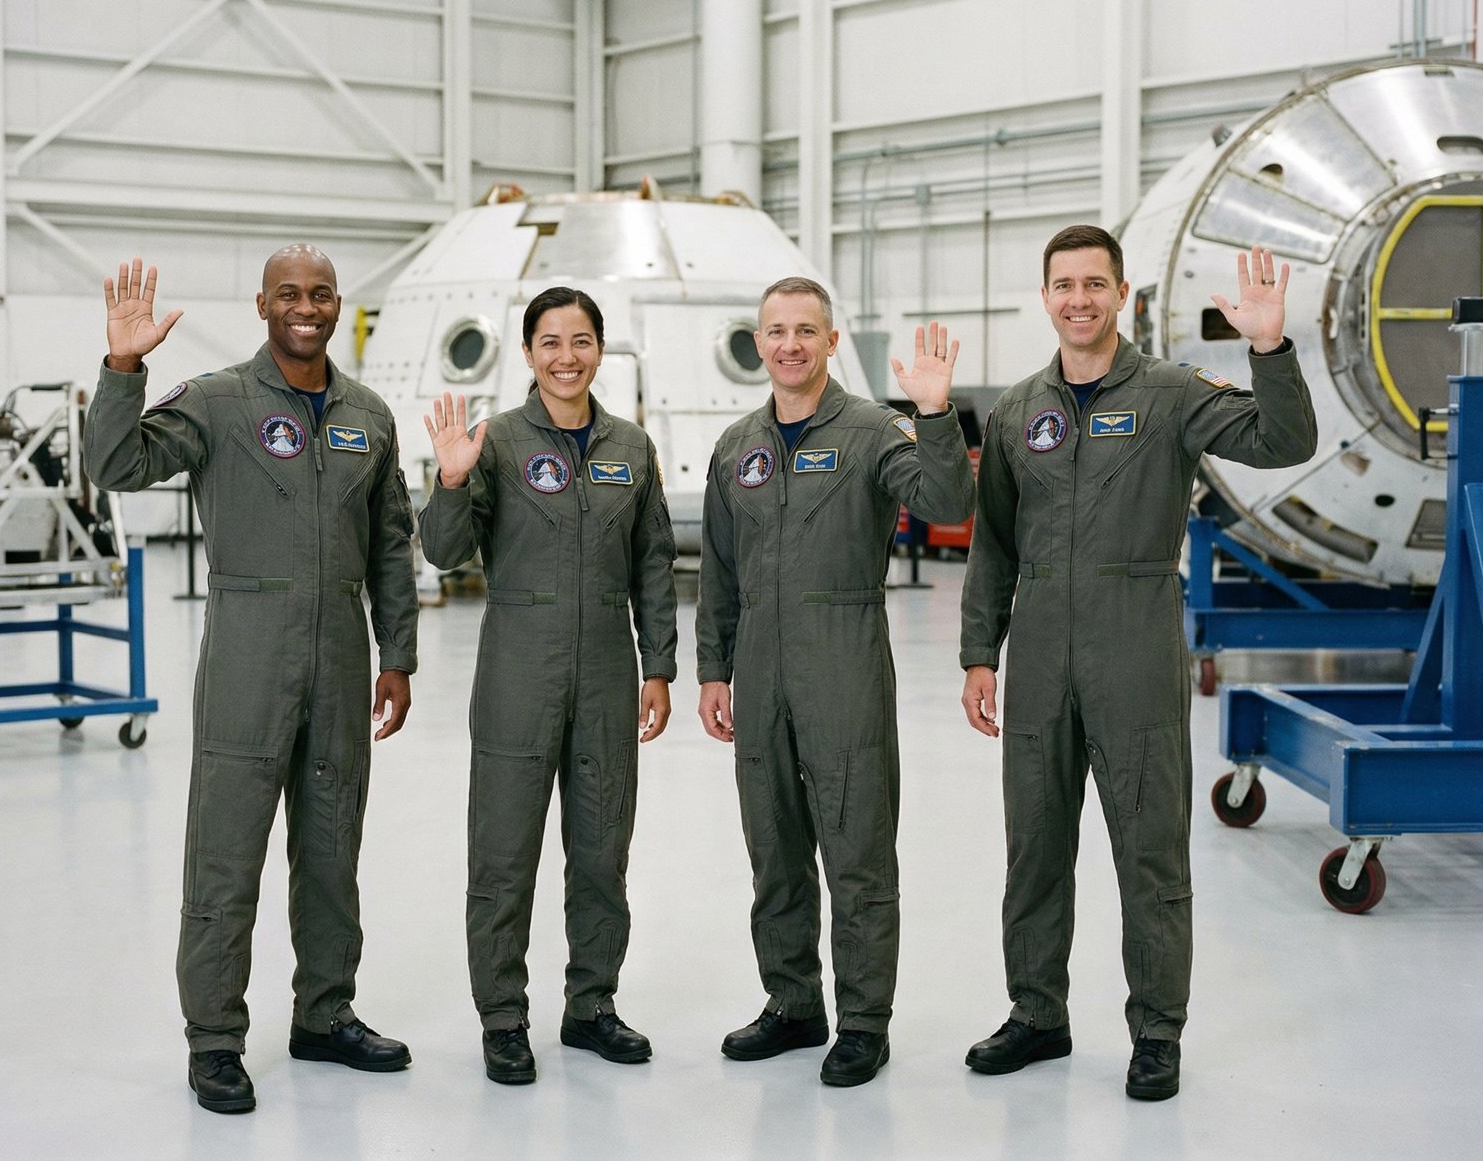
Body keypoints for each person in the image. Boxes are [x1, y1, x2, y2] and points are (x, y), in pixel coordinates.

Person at [958, 226, 1318, 1101]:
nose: (1078, 298)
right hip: (1040, 646)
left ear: (1122, 295)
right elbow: (993, 544)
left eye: (1094, 283)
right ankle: (1037, 1012)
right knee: (1034, 846)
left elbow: (1283, 440)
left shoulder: (1169, 393)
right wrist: (979, 652)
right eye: (1063, 285)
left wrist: (1268, 346)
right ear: (1044, 297)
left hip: (1136, 640)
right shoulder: (1016, 411)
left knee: (1149, 849)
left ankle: (1157, 1030)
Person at [84, 247, 419, 1114]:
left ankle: (325, 1012)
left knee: (331, 849)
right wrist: (124, 366)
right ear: (262, 303)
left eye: (320, 295)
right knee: (226, 853)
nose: (305, 308)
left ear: (338, 304)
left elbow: (390, 546)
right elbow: (115, 466)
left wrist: (399, 654)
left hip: (342, 656)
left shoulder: (369, 416)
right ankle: (215, 1039)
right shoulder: (220, 401)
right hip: (246, 654)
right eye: (288, 295)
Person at [696, 276, 976, 1087]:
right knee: (774, 846)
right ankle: (793, 1003)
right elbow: (718, 568)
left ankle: (862, 1020)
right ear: (759, 343)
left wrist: (934, 415)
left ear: (828, 340)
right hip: (758, 667)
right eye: (775, 331)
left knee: (856, 847)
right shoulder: (737, 445)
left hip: (844, 658)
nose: (788, 344)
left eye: (804, 330)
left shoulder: (870, 431)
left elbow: (949, 498)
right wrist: (714, 668)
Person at [419, 286, 679, 1085]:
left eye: (582, 340)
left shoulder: (631, 447)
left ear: (601, 350)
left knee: (602, 850)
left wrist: (659, 666)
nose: (567, 356)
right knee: (503, 854)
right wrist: (453, 481)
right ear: (528, 353)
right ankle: (503, 1017)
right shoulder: (493, 442)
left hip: (606, 669)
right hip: (516, 671)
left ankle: (591, 1004)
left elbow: (654, 564)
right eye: (550, 342)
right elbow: (444, 553)